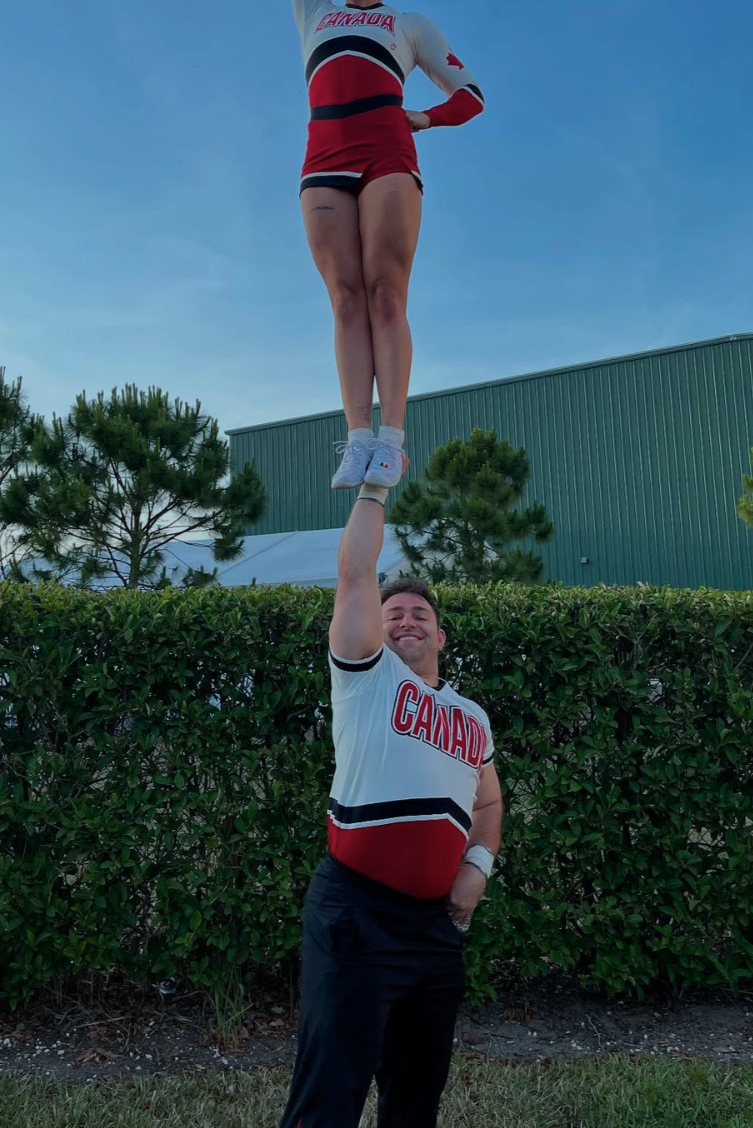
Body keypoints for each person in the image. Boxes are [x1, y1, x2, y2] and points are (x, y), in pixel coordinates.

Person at [278, 466, 503, 1128]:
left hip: (435, 930)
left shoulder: (471, 715)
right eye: (392, 611)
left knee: (415, 1096)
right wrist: (374, 488)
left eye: (420, 614)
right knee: (328, 1095)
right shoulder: (364, 677)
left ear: (439, 636)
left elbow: (487, 805)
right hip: (356, 915)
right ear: (375, 628)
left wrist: (476, 869)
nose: (405, 619)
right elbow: (355, 573)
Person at [287, 0, 485, 492]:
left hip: (387, 156)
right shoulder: (313, 10)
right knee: (343, 299)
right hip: (322, 158)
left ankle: (392, 440)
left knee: (383, 291)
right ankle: (355, 437)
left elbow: (473, 96)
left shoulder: (410, 25)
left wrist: (423, 116)